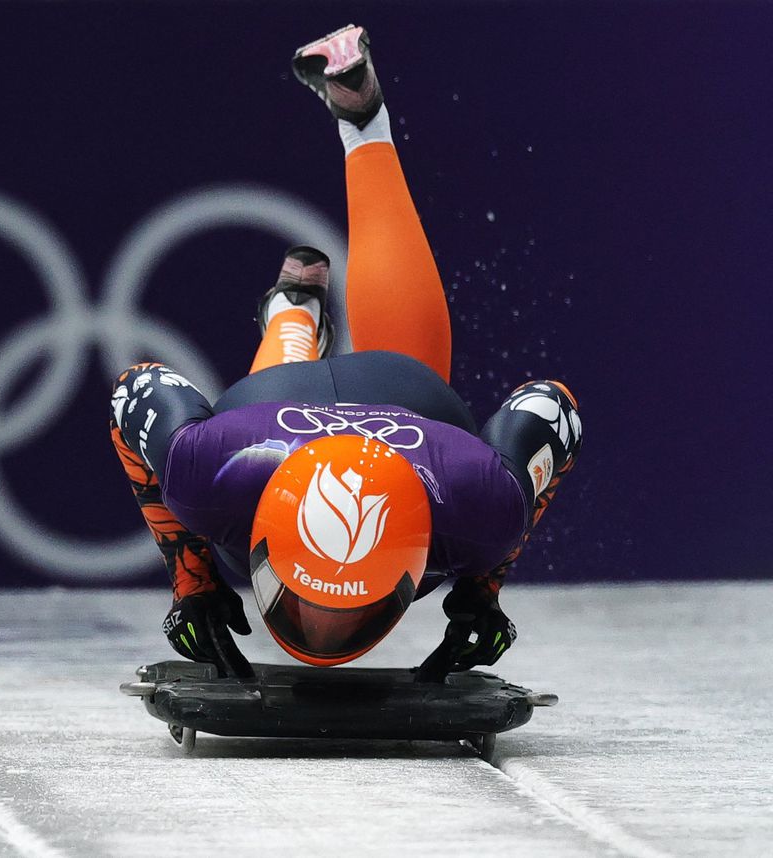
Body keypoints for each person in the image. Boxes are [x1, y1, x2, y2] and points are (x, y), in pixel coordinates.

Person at [108, 25, 581, 677]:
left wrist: (195, 581)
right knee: (367, 383)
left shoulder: (209, 470)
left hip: (285, 410)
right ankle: (312, 263)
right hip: (392, 404)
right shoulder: (478, 502)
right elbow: (556, 406)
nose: (322, 631)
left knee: (270, 411)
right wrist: (480, 591)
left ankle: (295, 308)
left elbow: (133, 388)